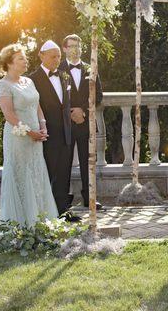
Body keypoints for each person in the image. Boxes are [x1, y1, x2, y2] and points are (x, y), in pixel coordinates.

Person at [0, 44, 58, 226]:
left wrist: (43, 127)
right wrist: (30, 133)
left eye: (25, 58)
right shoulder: (3, 85)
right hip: (18, 138)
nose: (25, 61)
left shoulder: (28, 82)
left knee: (36, 173)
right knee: (21, 175)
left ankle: (39, 219)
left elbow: (37, 106)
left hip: (36, 137)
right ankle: (21, 223)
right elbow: (9, 116)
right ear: (9, 63)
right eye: (21, 58)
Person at [28, 40, 80, 222]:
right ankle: (44, 214)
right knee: (47, 174)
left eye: (59, 56)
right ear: (41, 56)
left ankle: (63, 211)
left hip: (66, 133)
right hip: (46, 134)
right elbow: (31, 107)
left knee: (64, 174)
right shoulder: (32, 79)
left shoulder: (64, 76)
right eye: (53, 56)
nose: (57, 60)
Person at [60, 34, 104, 210]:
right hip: (66, 124)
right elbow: (55, 95)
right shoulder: (59, 69)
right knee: (64, 162)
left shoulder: (90, 68)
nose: (75, 49)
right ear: (64, 48)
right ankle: (63, 199)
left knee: (89, 162)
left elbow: (98, 95)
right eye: (71, 46)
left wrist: (83, 111)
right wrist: (71, 112)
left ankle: (90, 198)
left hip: (87, 123)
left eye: (78, 46)